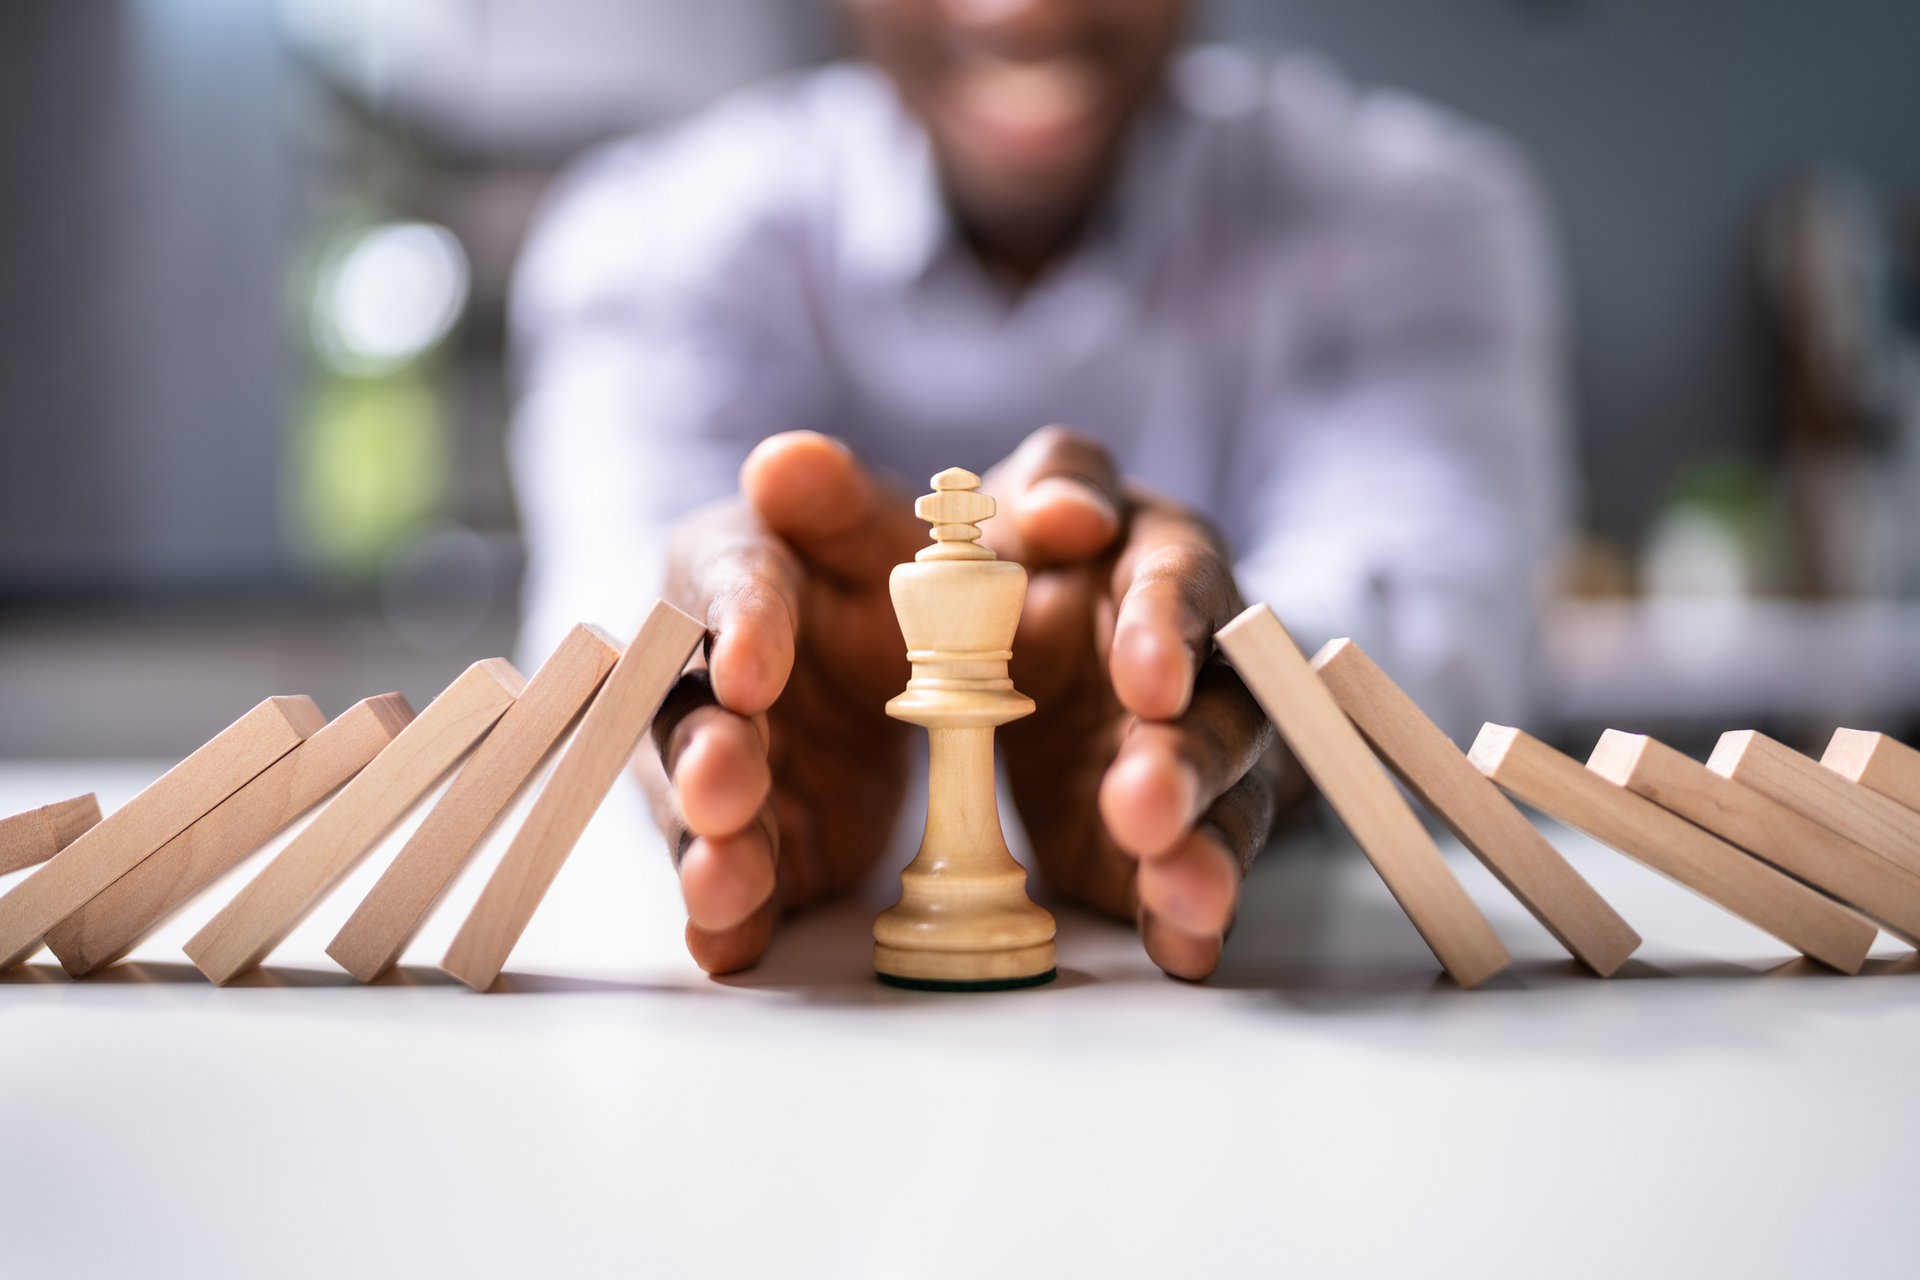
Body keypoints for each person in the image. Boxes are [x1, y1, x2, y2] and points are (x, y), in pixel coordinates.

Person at [508, 0, 1569, 980]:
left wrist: (1233, 710)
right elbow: (603, 626)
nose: (1024, 8)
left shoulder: (1415, 206)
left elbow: (1444, 621)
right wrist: (710, 683)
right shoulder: (650, 230)